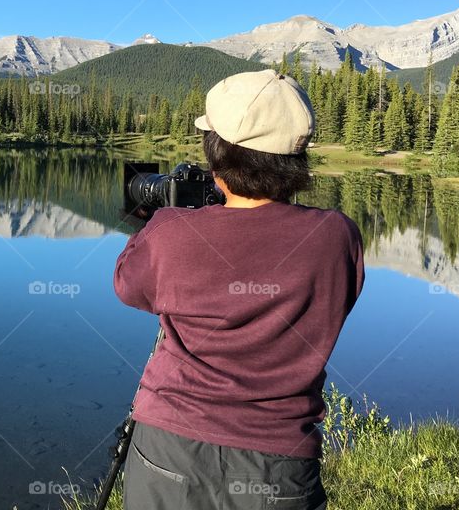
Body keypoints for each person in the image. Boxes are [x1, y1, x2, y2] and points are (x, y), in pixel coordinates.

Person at [114, 69, 364, 510]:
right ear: (297, 159)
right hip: (280, 460)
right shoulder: (336, 236)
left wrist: (154, 221)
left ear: (217, 155)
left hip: (170, 447)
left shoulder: (172, 232)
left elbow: (128, 287)